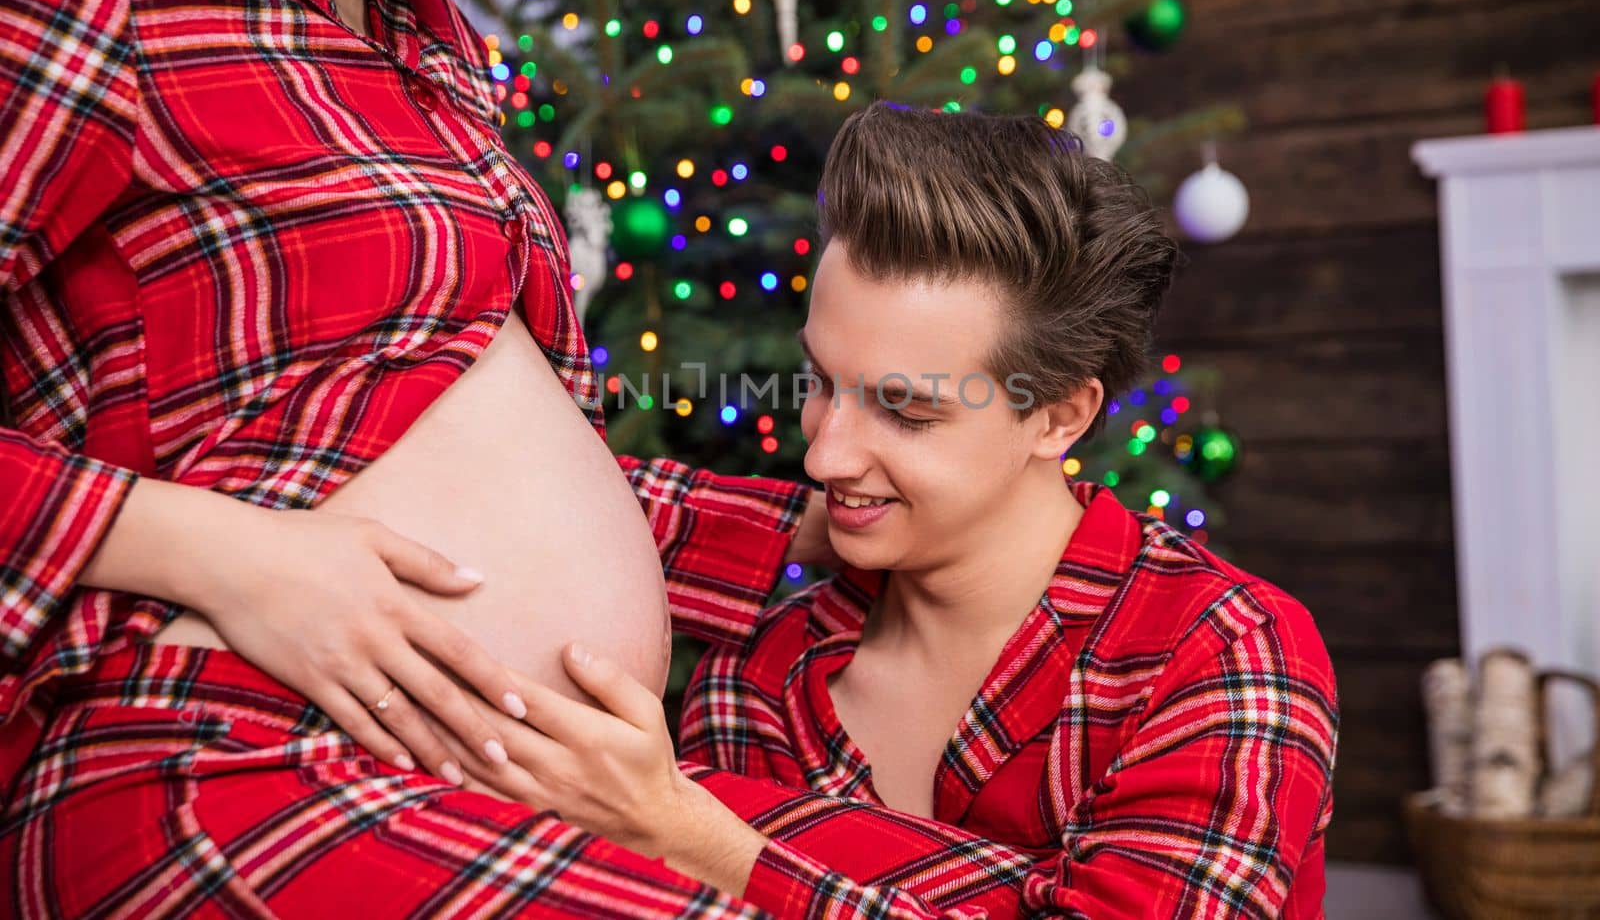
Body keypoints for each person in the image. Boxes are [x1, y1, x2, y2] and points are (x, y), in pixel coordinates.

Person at [0, 0, 916, 914]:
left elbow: (409, 441)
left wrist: (813, 527)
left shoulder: (420, 19)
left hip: (505, 780)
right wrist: (227, 553)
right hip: (232, 752)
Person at [431, 104, 1342, 919]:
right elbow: (531, 500)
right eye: (821, 382)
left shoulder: (1221, 651)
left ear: (1059, 414)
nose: (822, 453)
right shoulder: (763, 681)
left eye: (906, 409)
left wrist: (703, 834)